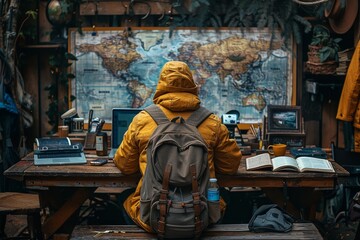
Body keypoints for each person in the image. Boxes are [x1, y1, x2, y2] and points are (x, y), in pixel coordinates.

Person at [113, 60, 242, 232]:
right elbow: (230, 167)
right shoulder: (211, 122)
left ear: (161, 84)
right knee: (228, 197)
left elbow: (125, 166)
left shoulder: (142, 119)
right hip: (202, 214)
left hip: (153, 214)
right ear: (191, 84)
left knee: (122, 198)